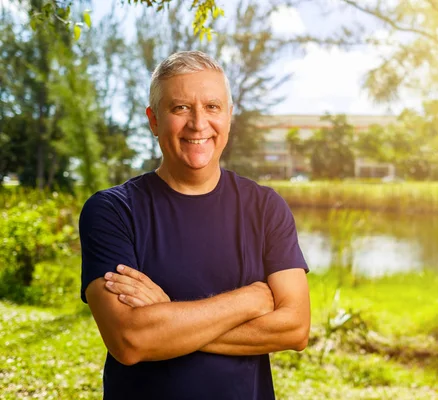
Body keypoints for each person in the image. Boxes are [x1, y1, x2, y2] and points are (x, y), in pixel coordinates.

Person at [79, 50, 310, 400]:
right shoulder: (112, 211)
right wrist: (252, 299)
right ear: (154, 121)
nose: (198, 123)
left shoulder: (265, 207)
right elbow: (129, 340)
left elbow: (294, 328)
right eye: (180, 108)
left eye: (213, 107)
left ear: (229, 117)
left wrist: (165, 318)